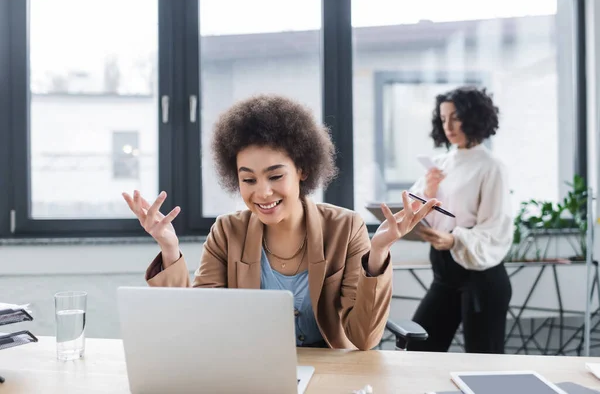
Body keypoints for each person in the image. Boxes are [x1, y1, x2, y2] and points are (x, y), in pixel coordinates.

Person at [122, 94, 439, 351]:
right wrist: (169, 248)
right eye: (248, 179)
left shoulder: (346, 227)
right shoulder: (227, 231)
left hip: (331, 375)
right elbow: (197, 327)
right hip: (252, 375)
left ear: (302, 169)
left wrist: (379, 251)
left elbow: (364, 339)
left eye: (275, 176)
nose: (262, 192)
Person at [408, 86, 513, 354]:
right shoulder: (439, 164)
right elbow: (414, 211)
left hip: (481, 279)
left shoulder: (492, 167)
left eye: (456, 117)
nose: (448, 125)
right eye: (443, 119)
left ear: (474, 116)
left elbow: (495, 228)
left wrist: (454, 239)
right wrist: (428, 192)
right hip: (444, 273)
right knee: (417, 347)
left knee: (483, 366)